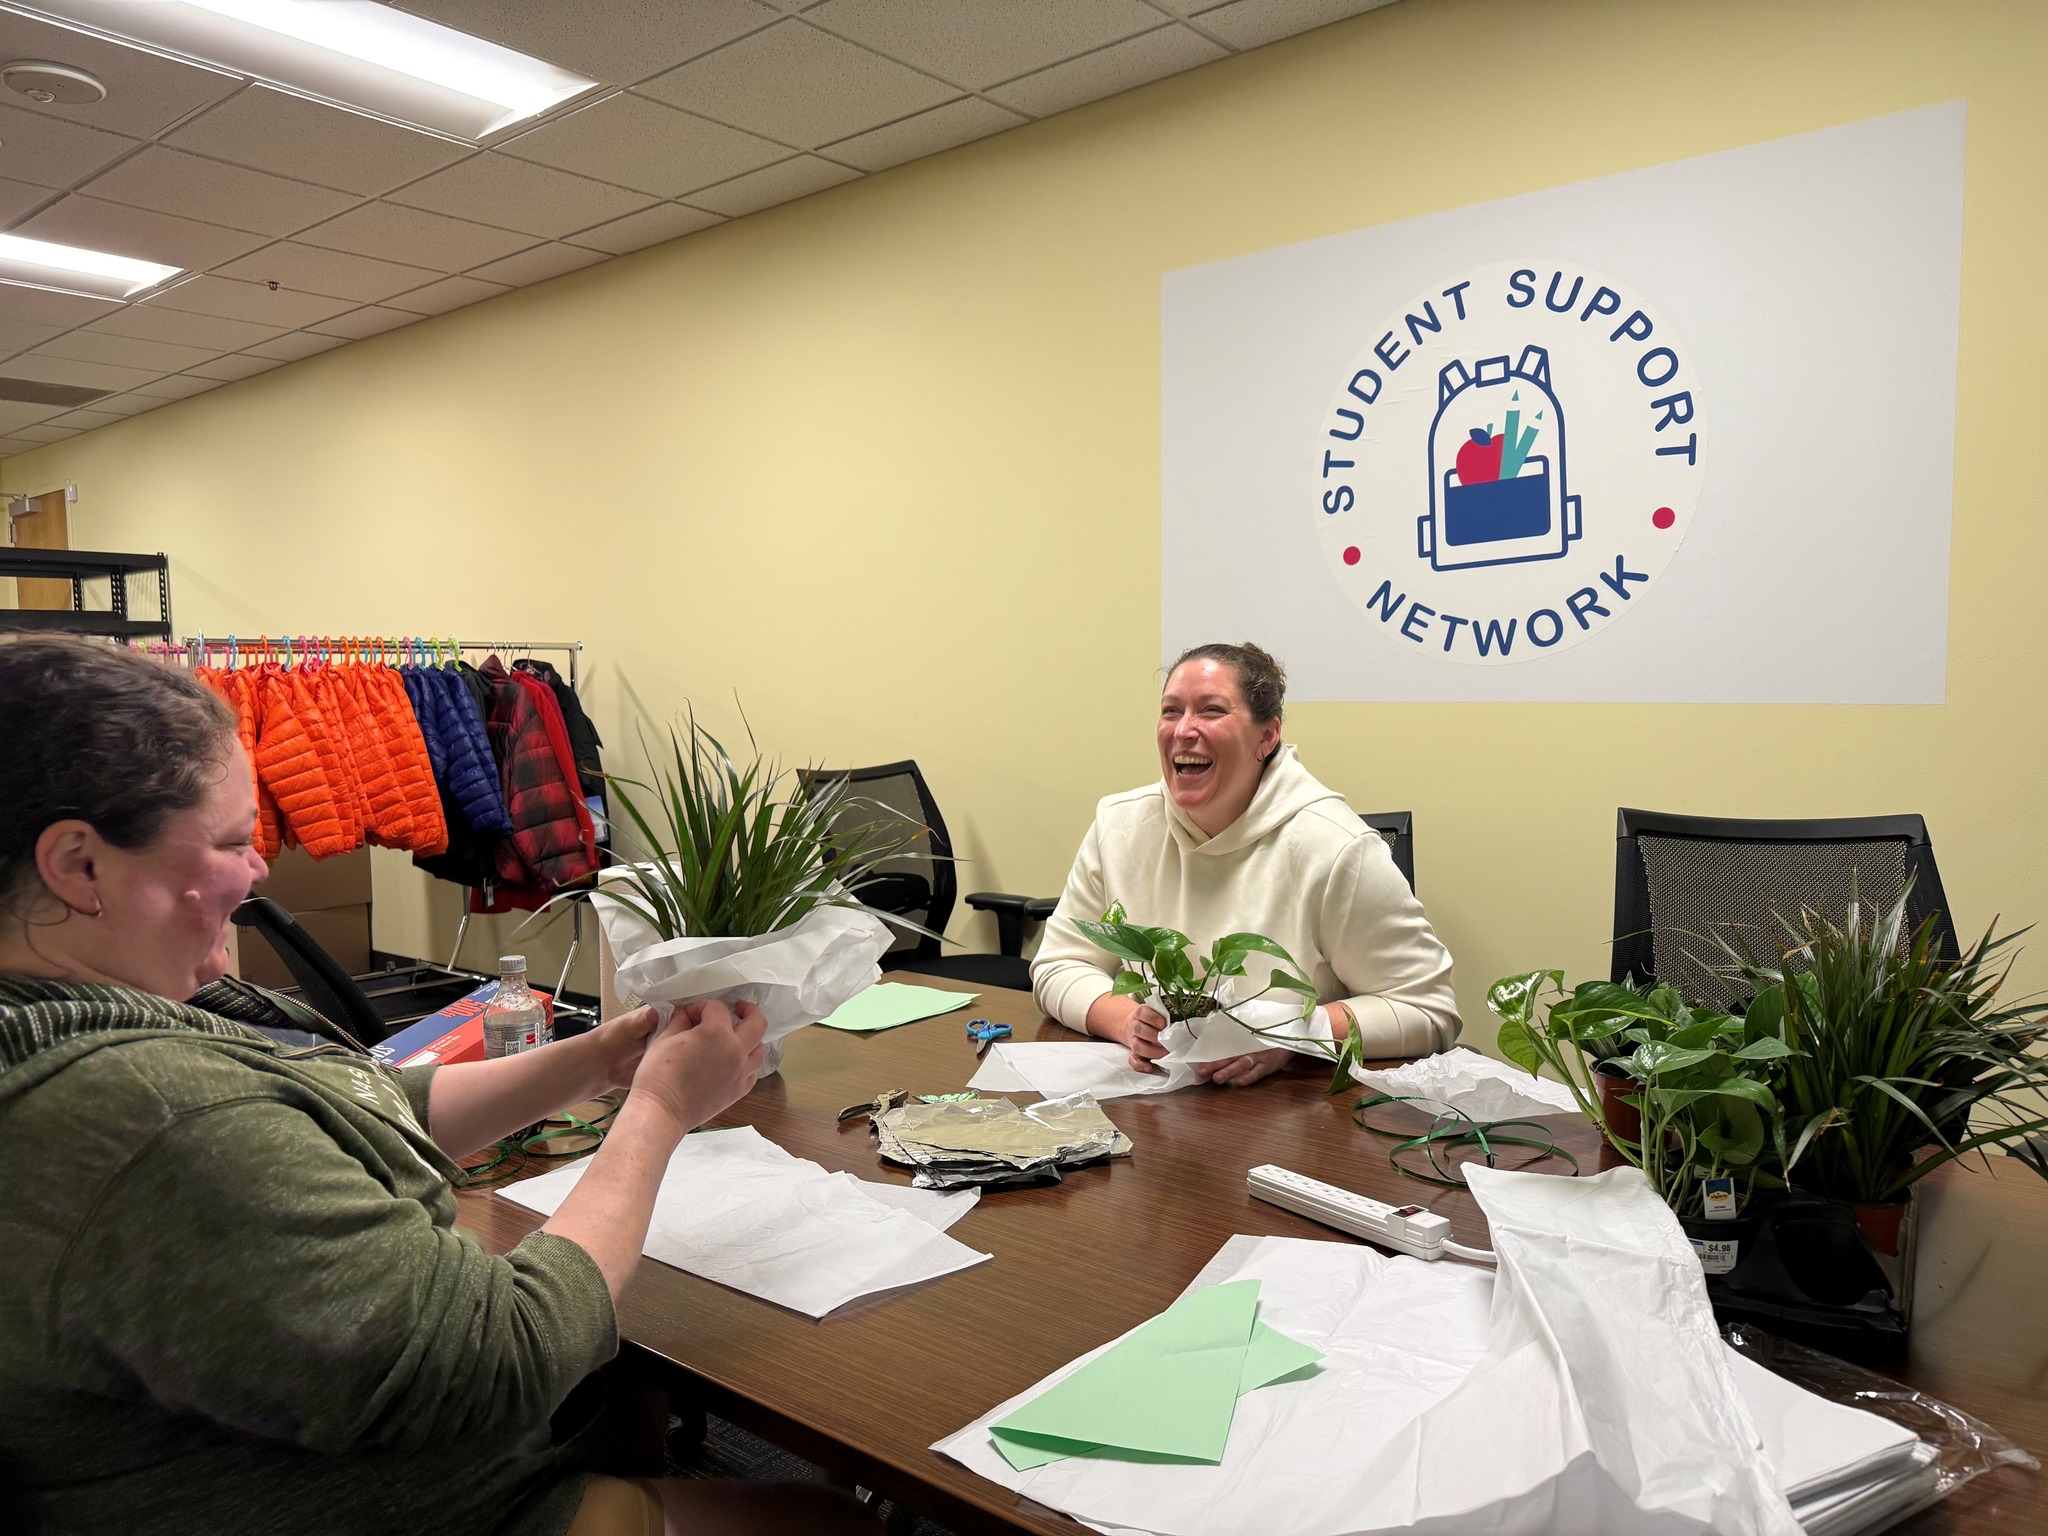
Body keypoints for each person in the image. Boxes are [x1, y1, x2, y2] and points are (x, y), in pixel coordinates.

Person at [0, 635, 874, 1536]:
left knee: (629, 1392)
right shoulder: (154, 1117)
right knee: (827, 1523)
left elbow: (359, 1106)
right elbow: (507, 1357)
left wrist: (596, 1060)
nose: (259, 867)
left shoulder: (102, 1017)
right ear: (80, 865)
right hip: (401, 1503)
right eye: (229, 842)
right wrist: (658, 1110)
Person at [1032, 641, 1458, 1086]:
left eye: (1212, 711)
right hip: (1150, 1100)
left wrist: (1292, 1034)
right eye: (1171, 711)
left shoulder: (1336, 847)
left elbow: (1428, 1009)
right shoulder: (1119, 825)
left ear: (1267, 736)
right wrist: (1126, 1022)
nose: (1184, 730)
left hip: (1287, 1113)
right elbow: (1059, 964)